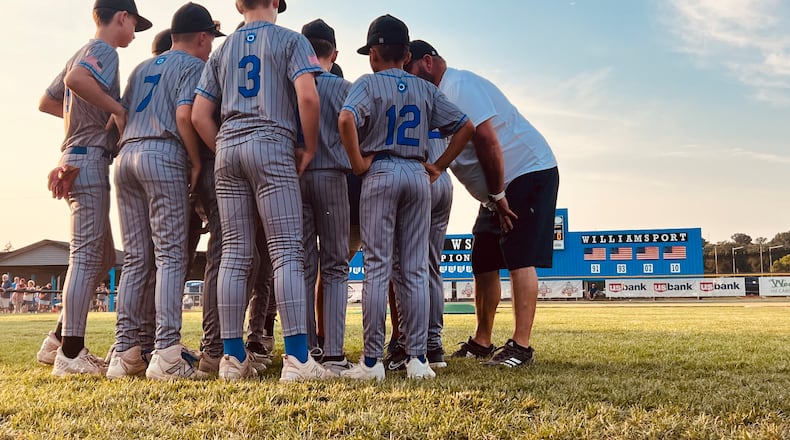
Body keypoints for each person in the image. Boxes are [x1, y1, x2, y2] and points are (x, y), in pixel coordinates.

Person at [192, 0, 335, 382]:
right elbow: (308, 96)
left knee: (235, 256)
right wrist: (308, 146)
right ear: (276, 2)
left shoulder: (223, 50)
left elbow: (198, 113)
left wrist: (222, 145)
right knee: (287, 251)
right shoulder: (291, 40)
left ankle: (232, 358)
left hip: (229, 148)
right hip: (272, 142)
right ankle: (299, 359)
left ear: (239, 4)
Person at [405, 40, 560, 367]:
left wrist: (500, 196)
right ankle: (483, 340)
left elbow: (489, 141)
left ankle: (522, 346)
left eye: (411, 68)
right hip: (496, 189)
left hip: (526, 171)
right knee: (484, 259)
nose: (407, 76)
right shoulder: (434, 100)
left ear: (429, 62)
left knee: (519, 255)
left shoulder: (458, 86)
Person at [337, 14, 474, 381]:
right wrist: (439, 165)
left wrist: (357, 163)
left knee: (378, 267)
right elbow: (466, 127)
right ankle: (418, 359)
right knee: (414, 269)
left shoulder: (367, 82)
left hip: (380, 169)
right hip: (417, 171)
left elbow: (346, 119)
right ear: (407, 52)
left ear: (373, 54)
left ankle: (371, 363)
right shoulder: (425, 88)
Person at [107, 2, 222, 381]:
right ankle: (167, 352)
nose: (209, 48)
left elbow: (117, 116)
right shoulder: (194, 66)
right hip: (164, 152)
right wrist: (195, 161)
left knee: (137, 259)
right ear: (202, 37)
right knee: (171, 256)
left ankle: (124, 353)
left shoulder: (142, 66)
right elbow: (186, 115)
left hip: (126, 156)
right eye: (209, 41)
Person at [36, 0, 151, 377]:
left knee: (101, 257)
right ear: (122, 17)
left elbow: (48, 101)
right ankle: (71, 353)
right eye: (134, 24)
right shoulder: (104, 49)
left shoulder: (81, 51)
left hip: (78, 155)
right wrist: (114, 110)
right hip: (87, 158)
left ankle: (56, 341)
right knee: (87, 257)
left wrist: (82, 118)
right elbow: (74, 82)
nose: (134, 33)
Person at [298, 18, 354, 373]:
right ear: (334, 53)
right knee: (334, 264)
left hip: (294, 177)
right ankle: (333, 353)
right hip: (333, 176)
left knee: (302, 266)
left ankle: (306, 351)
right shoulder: (346, 87)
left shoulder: (290, 84)